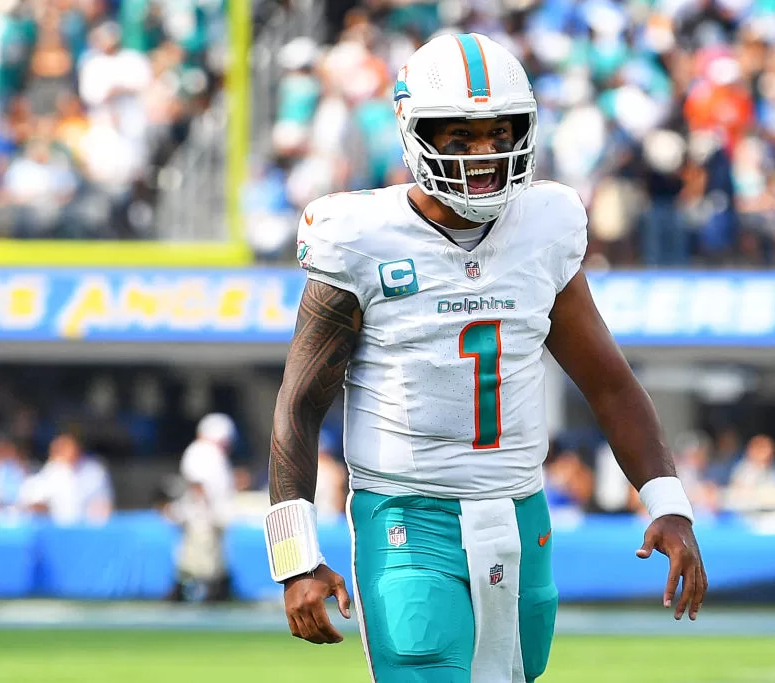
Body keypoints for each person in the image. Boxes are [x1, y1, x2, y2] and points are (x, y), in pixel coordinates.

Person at [263, 32, 707, 683]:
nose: (483, 153)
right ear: (416, 135)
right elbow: (298, 407)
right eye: (460, 136)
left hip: (521, 514)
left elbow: (609, 383)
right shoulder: (359, 238)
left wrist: (667, 501)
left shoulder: (545, 223)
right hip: (408, 516)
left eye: (500, 132)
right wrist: (295, 556)